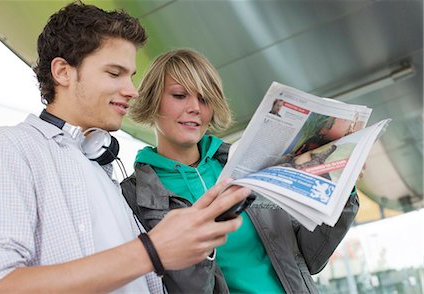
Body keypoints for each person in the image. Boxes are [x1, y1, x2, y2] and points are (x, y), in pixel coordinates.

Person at [0, 3, 252, 293]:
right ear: (63, 72)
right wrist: (152, 251)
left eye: (130, 76)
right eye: (114, 73)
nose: (132, 90)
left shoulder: (104, 173)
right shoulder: (6, 148)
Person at [122, 48, 360, 293]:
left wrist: (341, 186)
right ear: (152, 99)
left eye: (204, 99)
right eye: (179, 95)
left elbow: (310, 258)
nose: (195, 108)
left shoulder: (249, 164)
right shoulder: (132, 198)